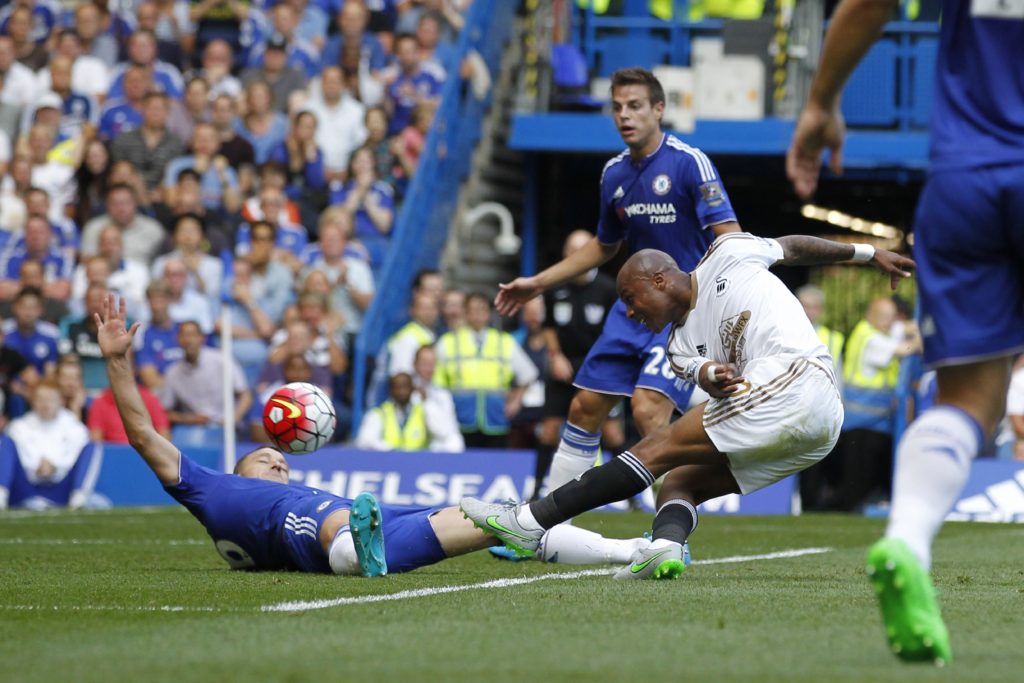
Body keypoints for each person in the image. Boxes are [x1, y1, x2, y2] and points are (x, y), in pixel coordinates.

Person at [89, 293, 656, 575]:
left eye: (279, 460)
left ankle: (635, 549)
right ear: (240, 468)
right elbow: (143, 435)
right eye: (267, 457)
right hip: (309, 531)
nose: (277, 461)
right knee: (329, 525)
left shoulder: (277, 489)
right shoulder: (214, 490)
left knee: (503, 517)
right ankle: (360, 553)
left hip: (345, 516)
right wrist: (118, 362)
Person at [786, 0, 1024, 664]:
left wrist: (822, 102)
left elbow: (868, 3)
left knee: (971, 403)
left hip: (964, 184)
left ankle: (910, 539)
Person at [461, 233, 913, 577]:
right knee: (679, 482)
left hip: (801, 383)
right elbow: (704, 374)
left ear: (658, 279)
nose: (632, 314)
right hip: (807, 428)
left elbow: (792, 247)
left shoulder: (727, 252)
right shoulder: (677, 344)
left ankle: (529, 520)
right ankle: (666, 545)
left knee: (657, 448)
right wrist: (714, 376)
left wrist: (869, 254)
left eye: (630, 301)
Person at [495, 67, 742, 497]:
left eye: (634, 106)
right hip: (632, 311)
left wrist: (731, 308)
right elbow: (603, 247)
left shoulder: (689, 163)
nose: (624, 115)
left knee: (648, 409)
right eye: (617, 108)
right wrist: (538, 283)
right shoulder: (613, 175)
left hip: (684, 314)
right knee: (584, 406)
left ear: (659, 109)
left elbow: (733, 239)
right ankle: (548, 524)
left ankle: (668, 530)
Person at [434, 293, 538, 448]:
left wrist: (516, 401)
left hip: (496, 418)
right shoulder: (448, 342)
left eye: (482, 309)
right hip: (460, 419)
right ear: (465, 312)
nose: (477, 314)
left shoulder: (504, 341)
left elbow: (528, 374)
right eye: (473, 310)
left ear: (489, 314)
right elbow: (437, 383)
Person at [356, 371, 462, 452]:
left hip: (418, 464)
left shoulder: (423, 410)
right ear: (390, 390)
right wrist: (390, 450)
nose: (401, 392)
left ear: (413, 388)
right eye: (397, 387)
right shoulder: (380, 414)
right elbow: (364, 442)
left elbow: (443, 432)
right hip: (388, 464)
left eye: (405, 387)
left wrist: (426, 402)